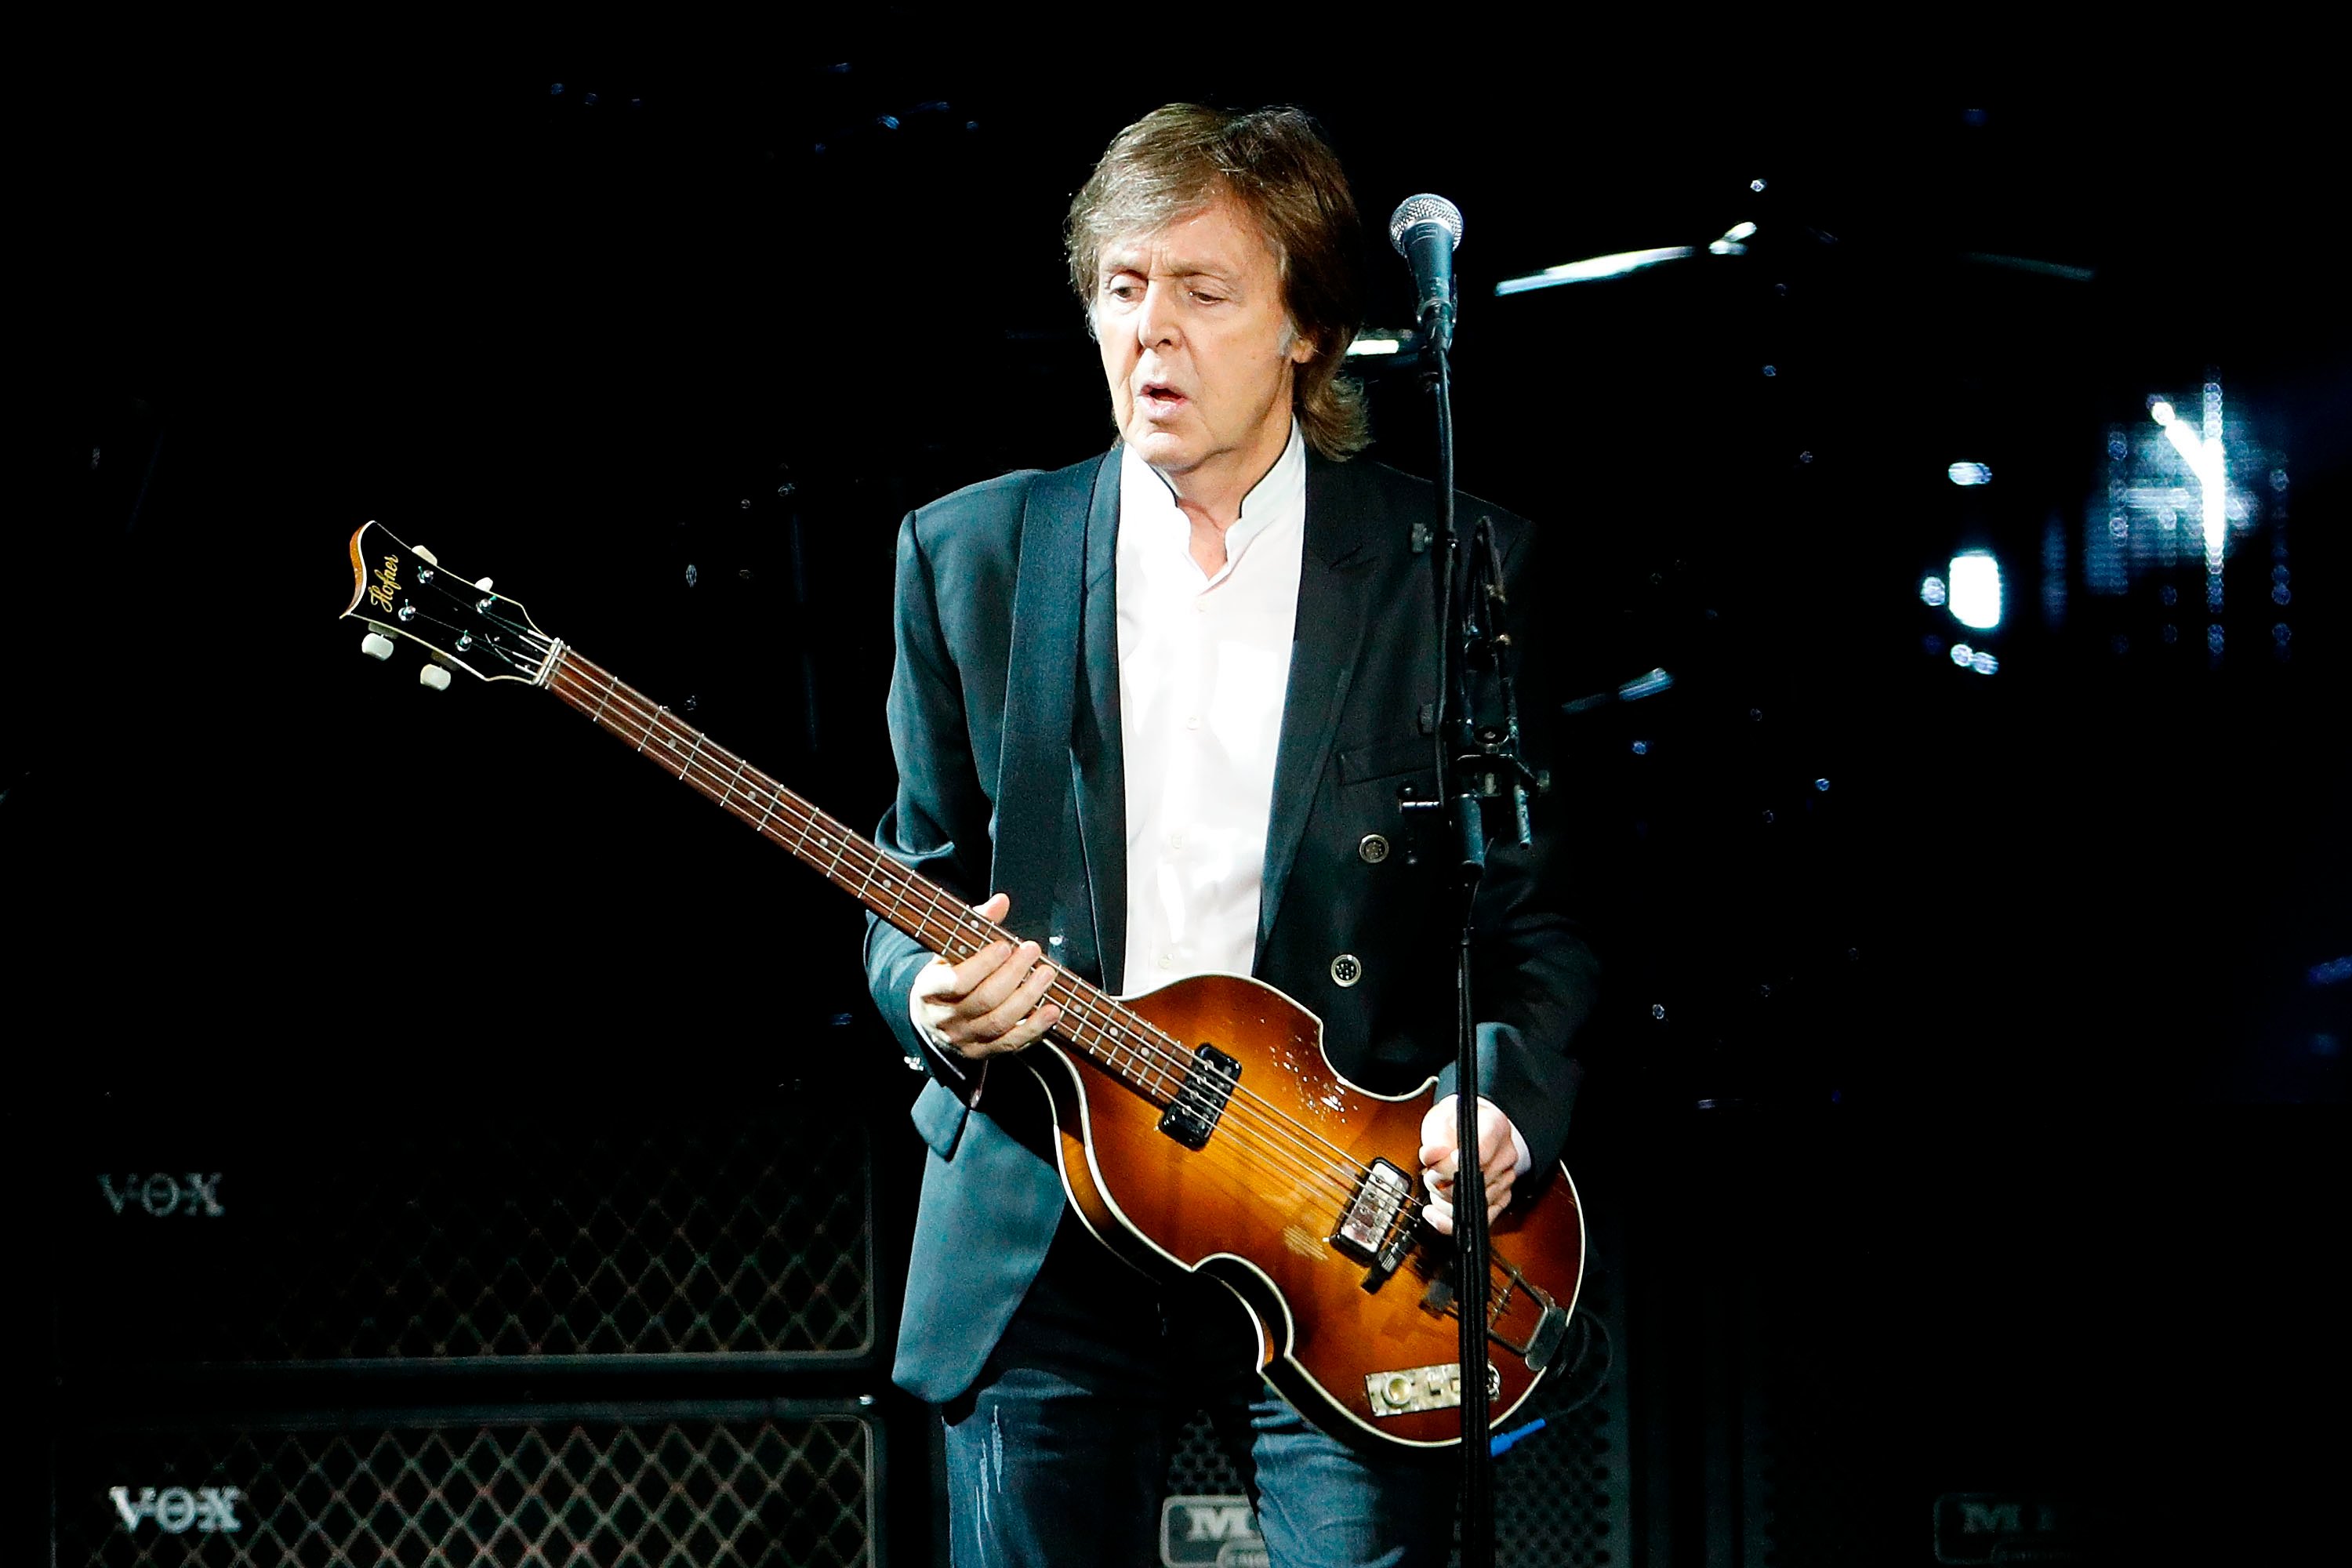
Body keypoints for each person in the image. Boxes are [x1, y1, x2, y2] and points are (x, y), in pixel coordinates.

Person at [863, 103, 1598, 1568]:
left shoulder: (1445, 563)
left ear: (1308, 329)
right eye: (1124, 290)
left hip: (1345, 1210)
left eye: (1204, 294)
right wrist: (930, 995)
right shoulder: (973, 554)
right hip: (1046, 1199)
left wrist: (1497, 1097)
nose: (1154, 335)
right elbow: (912, 882)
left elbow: (1538, 926)